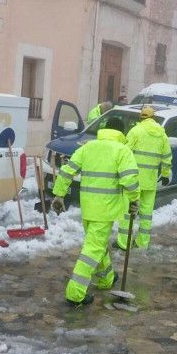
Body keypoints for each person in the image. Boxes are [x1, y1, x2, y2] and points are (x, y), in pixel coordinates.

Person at [52, 117, 140, 307]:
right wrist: (135, 199)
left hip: (88, 209)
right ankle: (75, 293)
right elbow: (129, 180)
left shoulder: (87, 147)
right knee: (92, 250)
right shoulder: (122, 150)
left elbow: (67, 170)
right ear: (121, 133)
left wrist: (59, 195)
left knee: (97, 245)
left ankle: (106, 278)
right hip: (105, 210)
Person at [115, 105, 172, 250]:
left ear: (141, 117)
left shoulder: (135, 131)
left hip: (133, 181)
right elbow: (167, 157)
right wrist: (165, 175)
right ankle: (142, 243)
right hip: (150, 181)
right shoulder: (162, 135)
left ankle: (124, 243)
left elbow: (124, 152)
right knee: (146, 214)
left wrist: (119, 171)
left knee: (128, 212)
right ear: (154, 118)